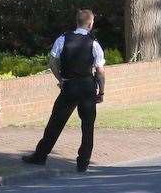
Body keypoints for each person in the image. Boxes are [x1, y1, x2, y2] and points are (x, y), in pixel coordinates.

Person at [21, 9, 106, 173]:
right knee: (87, 126)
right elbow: (100, 71)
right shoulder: (94, 43)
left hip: (69, 86)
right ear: (90, 23)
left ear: (77, 21)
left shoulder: (63, 38)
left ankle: (40, 156)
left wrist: (61, 79)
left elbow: (52, 62)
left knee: (55, 123)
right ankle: (83, 162)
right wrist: (101, 92)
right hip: (88, 87)